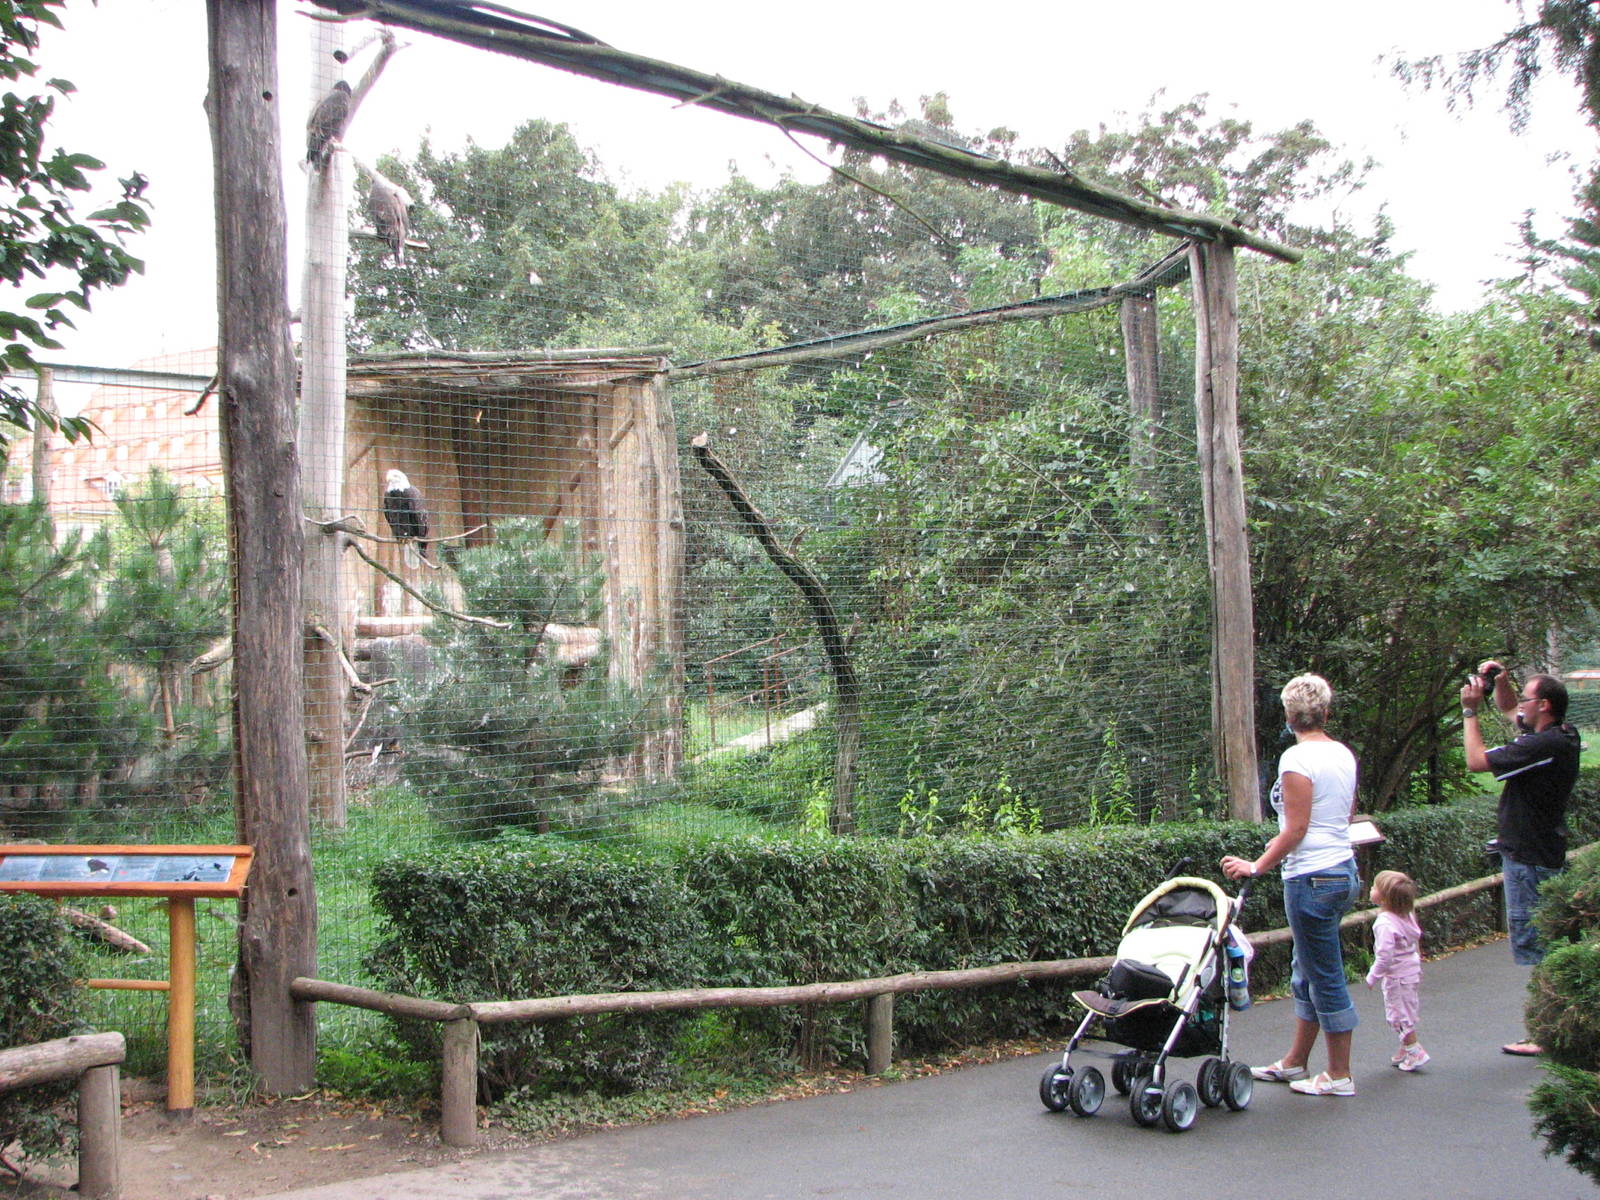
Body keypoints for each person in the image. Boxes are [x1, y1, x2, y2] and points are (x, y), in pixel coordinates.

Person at [1222, 673, 1361, 1097]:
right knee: (1306, 969)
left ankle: (1339, 1075)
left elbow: (1297, 827)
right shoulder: (1342, 754)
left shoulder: (1296, 760)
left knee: (1324, 974)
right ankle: (1296, 1061)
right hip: (1340, 869)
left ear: (1288, 715)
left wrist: (1256, 865)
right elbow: (1336, 815)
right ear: (1325, 711)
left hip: (1312, 878)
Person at [1461, 661, 1580, 1057]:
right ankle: (1556, 1024)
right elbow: (1511, 710)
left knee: (1539, 947)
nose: (1520, 708)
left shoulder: (1542, 746)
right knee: (1547, 944)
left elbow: (1477, 760)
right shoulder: (1562, 734)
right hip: (1539, 852)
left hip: (1529, 858)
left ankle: (1544, 1030)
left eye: (1528, 699)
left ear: (1544, 705)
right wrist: (1503, 682)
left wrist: (1470, 711)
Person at [1366, 869, 1428, 1072]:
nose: (1371, 889)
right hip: (1411, 971)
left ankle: (1414, 1051)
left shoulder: (1384, 924)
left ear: (1384, 898)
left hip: (1396, 976)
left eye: (1375, 887)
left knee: (1398, 1015)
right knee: (1408, 1008)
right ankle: (1405, 1047)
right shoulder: (1407, 914)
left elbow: (1385, 956)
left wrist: (1373, 975)